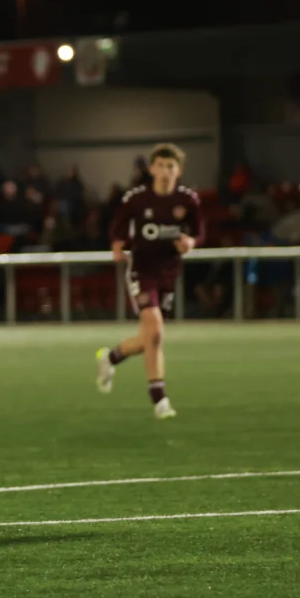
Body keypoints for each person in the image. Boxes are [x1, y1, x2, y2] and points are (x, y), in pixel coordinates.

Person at [96, 143, 204, 419]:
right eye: (161, 166)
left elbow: (199, 231)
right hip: (142, 270)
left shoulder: (187, 200)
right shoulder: (137, 198)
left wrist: (191, 242)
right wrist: (117, 244)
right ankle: (159, 399)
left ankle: (110, 357)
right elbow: (118, 226)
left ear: (179, 171)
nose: (165, 171)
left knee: (150, 337)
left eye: (171, 166)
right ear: (152, 169)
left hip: (169, 272)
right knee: (155, 328)